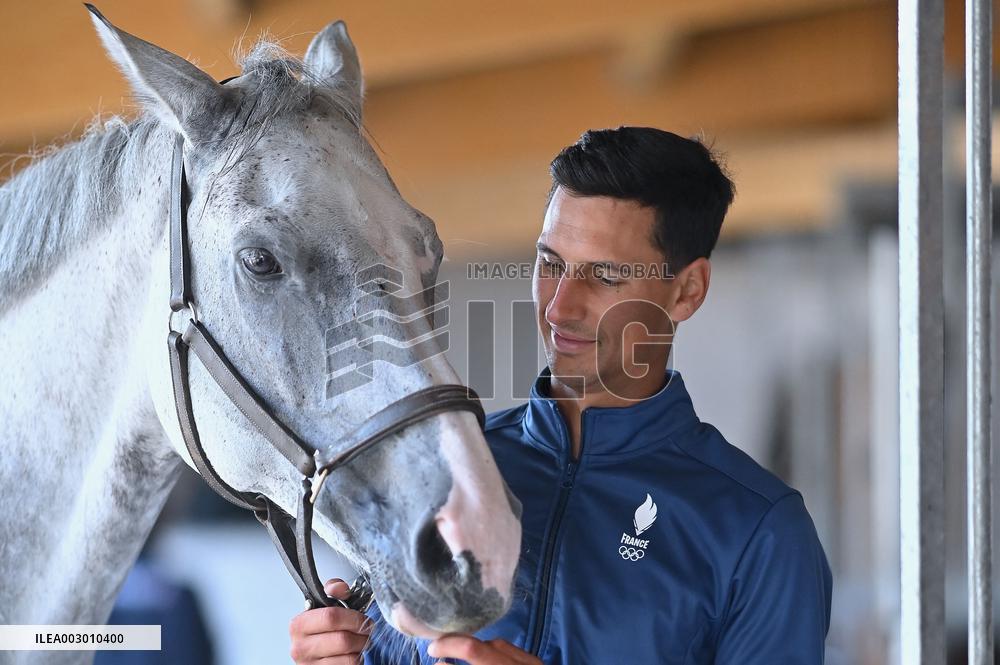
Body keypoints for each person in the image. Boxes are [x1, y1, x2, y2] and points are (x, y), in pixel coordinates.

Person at [288, 127, 833, 664]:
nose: (560, 307)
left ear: (687, 290)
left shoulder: (758, 531)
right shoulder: (444, 468)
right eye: (550, 264)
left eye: (607, 277)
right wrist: (341, 654)